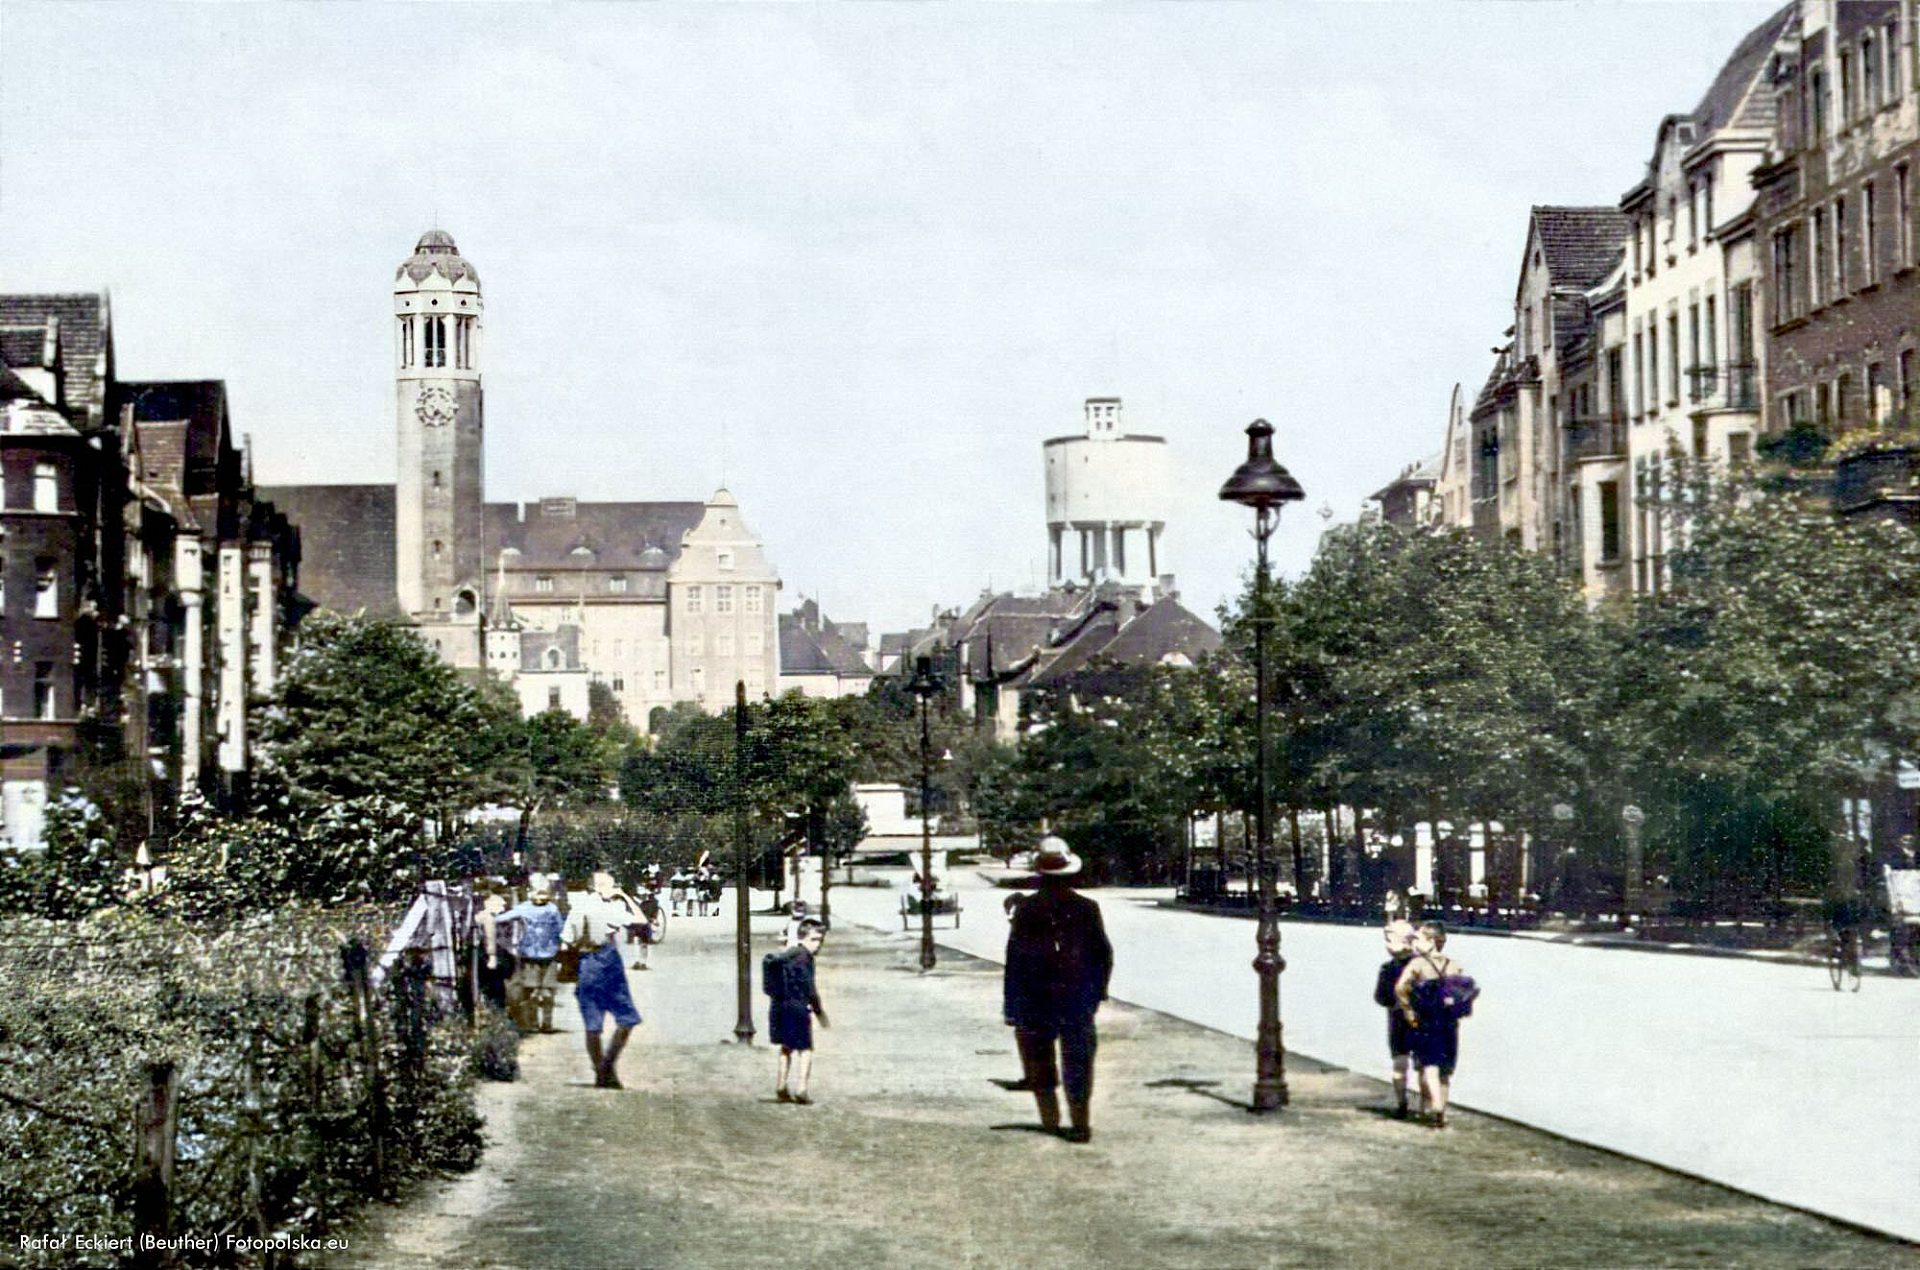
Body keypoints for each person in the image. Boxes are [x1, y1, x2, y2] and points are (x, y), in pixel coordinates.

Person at [1003, 835, 1113, 1143]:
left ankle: (1050, 1122)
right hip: (1077, 999)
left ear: (1039, 873)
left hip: (1036, 998)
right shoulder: (1087, 908)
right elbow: (1103, 955)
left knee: (1040, 1062)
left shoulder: (1027, 909)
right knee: (1078, 1061)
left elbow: (1015, 959)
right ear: (1070, 872)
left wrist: (1012, 1006)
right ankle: (1080, 1125)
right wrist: (1096, 994)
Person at [565, 872, 645, 1089]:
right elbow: (641, 921)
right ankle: (606, 1067)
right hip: (606, 961)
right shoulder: (609, 908)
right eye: (608, 885)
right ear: (597, 887)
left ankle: (602, 1069)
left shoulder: (580, 906)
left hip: (588, 962)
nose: (613, 888)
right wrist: (626, 897)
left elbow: (567, 941)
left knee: (593, 1023)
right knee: (626, 1018)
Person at [1395, 921, 1468, 1129]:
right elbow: (1464, 993)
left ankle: (1435, 1105)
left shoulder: (1417, 964)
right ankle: (1441, 1109)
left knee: (1429, 1066)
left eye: (1419, 938)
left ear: (1431, 941)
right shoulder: (1454, 965)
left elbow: (1401, 988)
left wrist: (1408, 1010)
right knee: (1445, 1070)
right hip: (1449, 1022)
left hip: (1425, 1020)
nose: (1415, 942)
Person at [765, 918, 830, 1104]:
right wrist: (819, 1011)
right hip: (799, 1008)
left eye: (820, 940)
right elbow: (810, 987)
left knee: (786, 1047)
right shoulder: (805, 958)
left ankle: (781, 1085)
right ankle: (801, 1088)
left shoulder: (788, 954)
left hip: (779, 1006)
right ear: (803, 938)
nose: (818, 945)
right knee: (805, 1049)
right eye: (815, 939)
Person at [498, 884, 567, 1033]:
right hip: (532, 953)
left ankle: (545, 1023)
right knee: (532, 990)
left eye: (543, 895)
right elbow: (504, 918)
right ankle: (534, 1022)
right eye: (538, 894)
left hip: (545, 953)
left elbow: (561, 929)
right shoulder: (532, 908)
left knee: (546, 990)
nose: (541, 899)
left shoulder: (551, 909)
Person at [1372, 919, 1418, 1118]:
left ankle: (1402, 1104)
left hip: (1397, 1020)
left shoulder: (1387, 969)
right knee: (1426, 1066)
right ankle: (1430, 1104)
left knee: (1399, 1065)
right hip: (1421, 1018)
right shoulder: (1421, 966)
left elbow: (1381, 997)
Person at [475, 888, 516, 1013]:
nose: (503, 906)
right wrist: (492, 956)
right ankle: (497, 1011)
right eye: (499, 903)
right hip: (489, 955)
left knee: (486, 984)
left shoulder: (478, 916)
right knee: (496, 985)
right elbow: (490, 938)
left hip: (479, 953)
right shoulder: (489, 918)